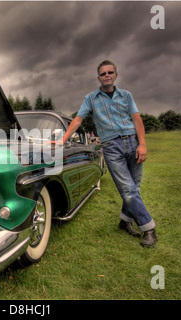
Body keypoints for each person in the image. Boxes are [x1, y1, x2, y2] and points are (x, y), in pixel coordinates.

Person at [55, 60, 157, 247]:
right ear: (99, 78)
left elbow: (137, 119)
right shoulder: (91, 99)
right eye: (103, 73)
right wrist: (63, 139)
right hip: (111, 147)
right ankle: (149, 228)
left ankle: (125, 221)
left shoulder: (126, 95)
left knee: (135, 186)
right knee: (127, 189)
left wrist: (142, 144)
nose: (107, 75)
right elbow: (78, 120)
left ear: (116, 75)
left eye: (110, 72)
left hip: (133, 142)